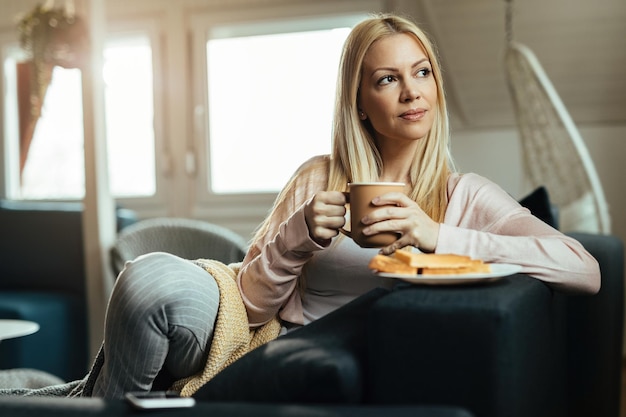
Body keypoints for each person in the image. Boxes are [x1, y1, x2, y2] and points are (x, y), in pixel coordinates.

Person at [90, 12, 600, 398]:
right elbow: (249, 307)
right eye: (387, 79)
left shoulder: (463, 195)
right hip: (262, 338)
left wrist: (436, 235)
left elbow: (585, 269)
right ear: (359, 101)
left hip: (335, 356)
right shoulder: (320, 175)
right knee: (145, 281)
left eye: (421, 72)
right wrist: (297, 236)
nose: (410, 92)